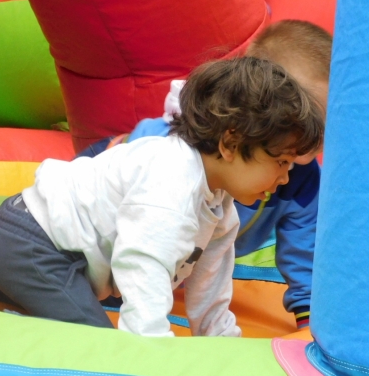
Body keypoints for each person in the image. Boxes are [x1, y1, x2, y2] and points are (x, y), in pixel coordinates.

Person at [0, 57, 325, 338]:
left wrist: (222, 343)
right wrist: (147, 350)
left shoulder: (219, 204)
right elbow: (143, 266)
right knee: (91, 337)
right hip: (32, 241)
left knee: (67, 292)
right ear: (229, 142)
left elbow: (210, 284)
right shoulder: (172, 185)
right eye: (280, 161)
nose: (285, 178)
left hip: (42, 249)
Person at [79, 20, 331, 329]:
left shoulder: (303, 180)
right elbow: (115, 211)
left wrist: (309, 329)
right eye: (308, 116)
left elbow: (306, 260)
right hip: (110, 172)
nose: (316, 133)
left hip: (180, 248)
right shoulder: (171, 152)